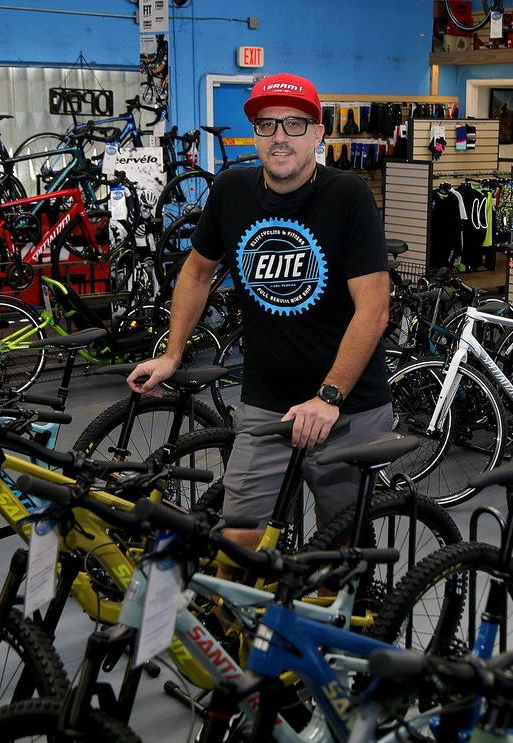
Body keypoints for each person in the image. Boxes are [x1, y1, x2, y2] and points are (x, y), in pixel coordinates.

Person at [126, 72, 391, 554]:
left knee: (342, 546)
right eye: (267, 125)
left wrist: (329, 396)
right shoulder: (231, 190)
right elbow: (196, 272)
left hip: (349, 408)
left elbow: (373, 310)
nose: (281, 137)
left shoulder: (347, 195)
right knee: (238, 538)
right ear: (255, 135)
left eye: (294, 124)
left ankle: (329, 625)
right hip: (266, 404)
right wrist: (172, 354)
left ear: (318, 133)